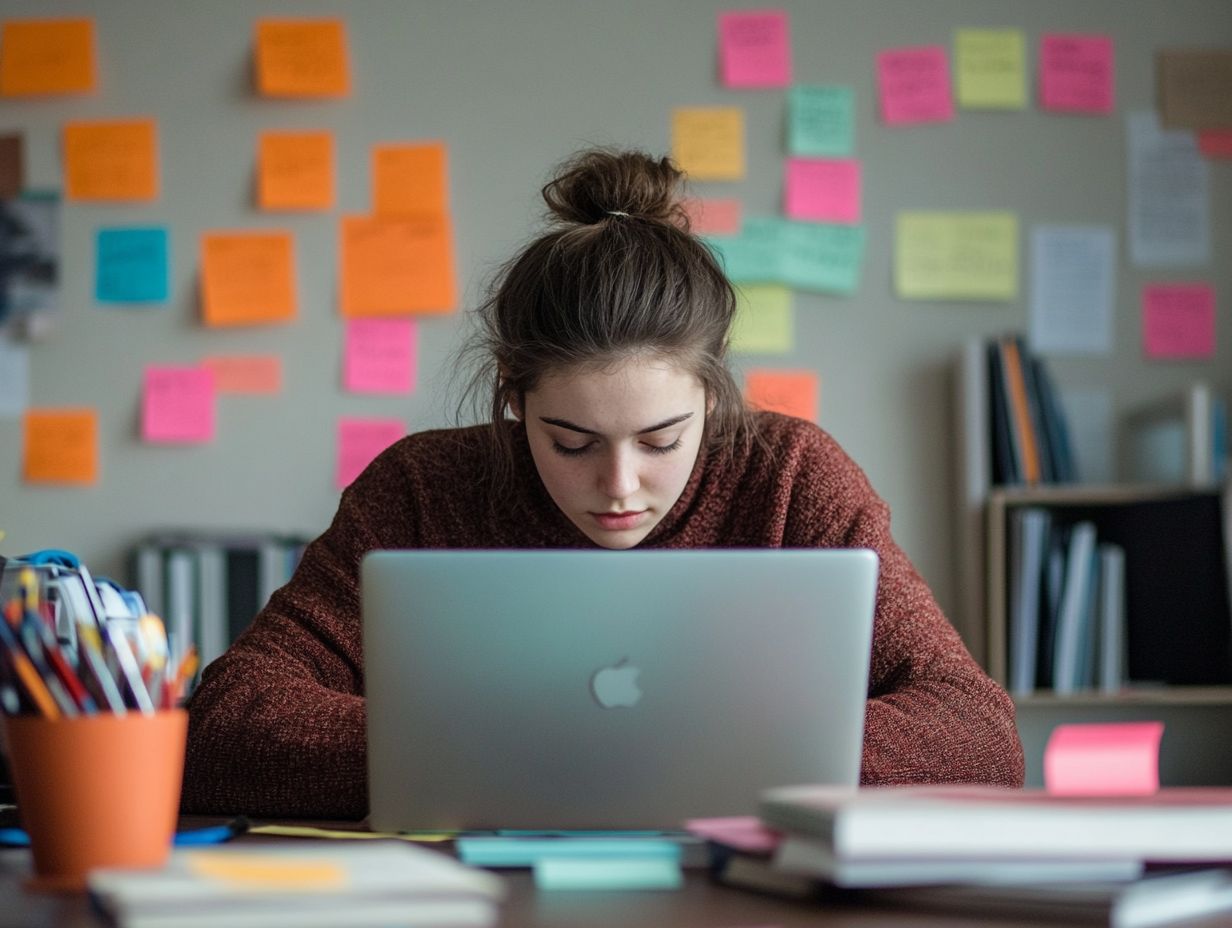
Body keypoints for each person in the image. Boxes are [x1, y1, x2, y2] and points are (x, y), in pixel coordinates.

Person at [183, 148, 1024, 818]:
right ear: (514, 395)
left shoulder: (792, 476)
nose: (619, 486)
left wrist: (676, 748)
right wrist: (523, 745)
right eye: (571, 441)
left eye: (661, 440)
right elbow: (227, 726)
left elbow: (979, 734)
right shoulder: (422, 490)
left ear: (711, 390)